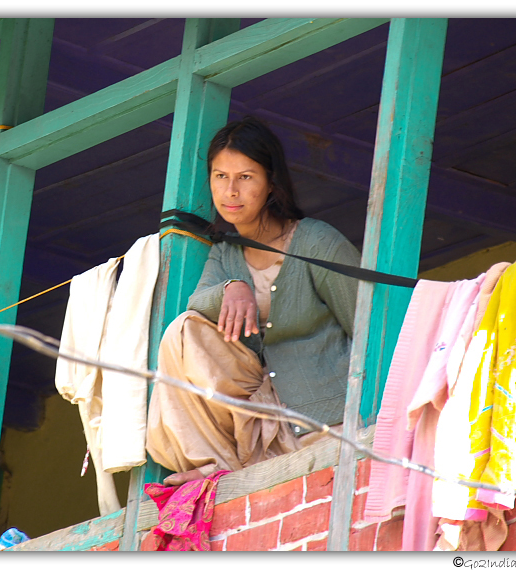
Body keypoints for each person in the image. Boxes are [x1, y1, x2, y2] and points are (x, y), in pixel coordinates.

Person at [145, 116, 361, 486]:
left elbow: (373, 329)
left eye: (245, 177)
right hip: (262, 425)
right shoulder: (226, 254)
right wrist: (232, 287)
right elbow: (198, 305)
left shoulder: (316, 242)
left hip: (327, 421)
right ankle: (219, 463)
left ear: (271, 183)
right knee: (182, 333)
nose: (231, 191)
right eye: (220, 176)